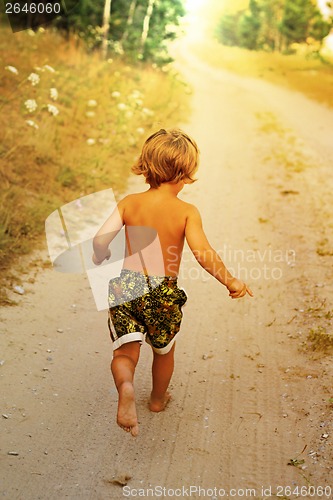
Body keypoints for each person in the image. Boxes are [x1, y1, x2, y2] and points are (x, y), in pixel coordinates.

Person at [92, 128, 253, 437]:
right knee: (164, 352)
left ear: (146, 166)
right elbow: (203, 254)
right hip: (163, 293)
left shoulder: (128, 203)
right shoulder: (186, 212)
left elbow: (101, 239)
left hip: (128, 287)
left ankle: (125, 386)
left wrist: (101, 255)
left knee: (125, 354)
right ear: (185, 173)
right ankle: (155, 399)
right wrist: (230, 280)